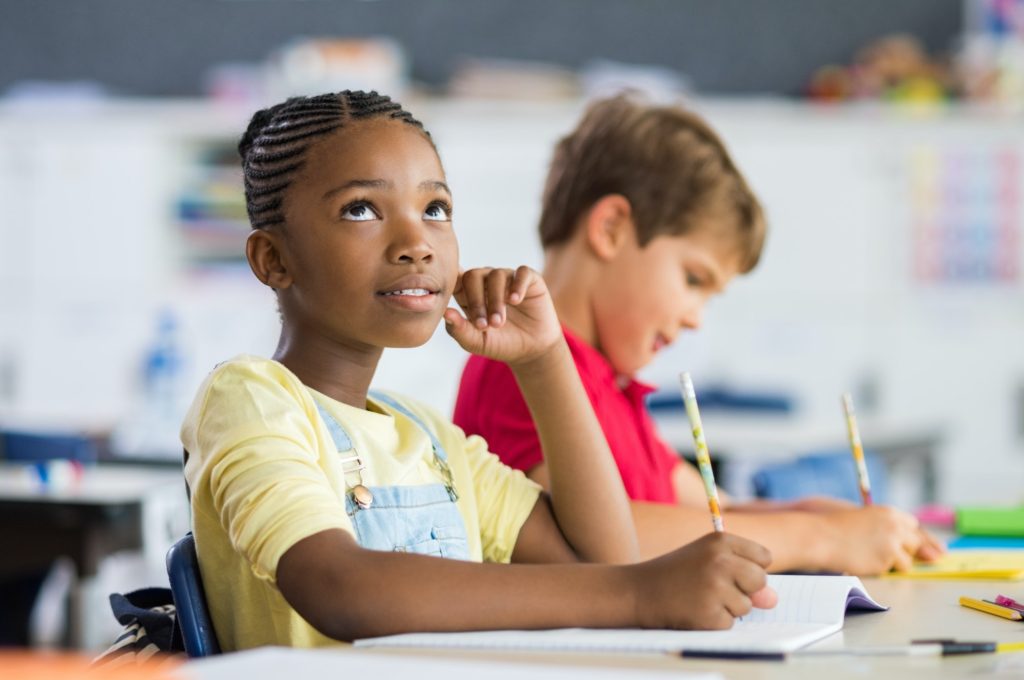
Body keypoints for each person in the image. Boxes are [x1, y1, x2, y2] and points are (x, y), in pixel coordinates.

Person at [180, 90, 776, 652]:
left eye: (435, 208)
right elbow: (339, 587)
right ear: (273, 259)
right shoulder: (254, 399)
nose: (417, 242)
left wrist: (545, 361)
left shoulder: (432, 441)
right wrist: (641, 595)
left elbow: (601, 557)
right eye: (361, 209)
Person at [453, 94, 944, 575]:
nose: (696, 318)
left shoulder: (611, 383)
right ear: (611, 229)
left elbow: (712, 510)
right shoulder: (524, 368)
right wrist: (822, 540)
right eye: (693, 280)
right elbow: (601, 542)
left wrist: (821, 517)